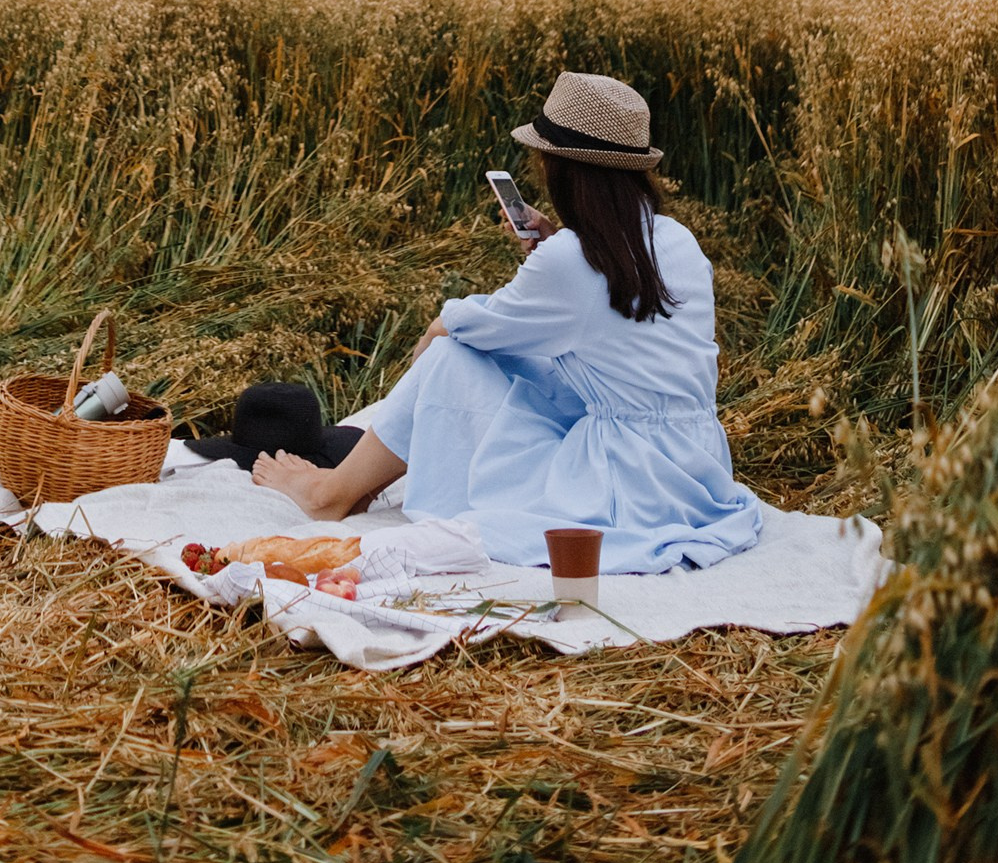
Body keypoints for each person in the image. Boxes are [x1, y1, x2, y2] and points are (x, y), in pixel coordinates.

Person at [254, 69, 761, 574]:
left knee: (449, 352)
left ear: (561, 170)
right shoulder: (676, 240)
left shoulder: (572, 261)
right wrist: (556, 242)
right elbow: (604, 313)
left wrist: (435, 337)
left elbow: (471, 326)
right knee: (504, 356)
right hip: (694, 469)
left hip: (624, 484)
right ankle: (359, 484)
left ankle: (331, 493)